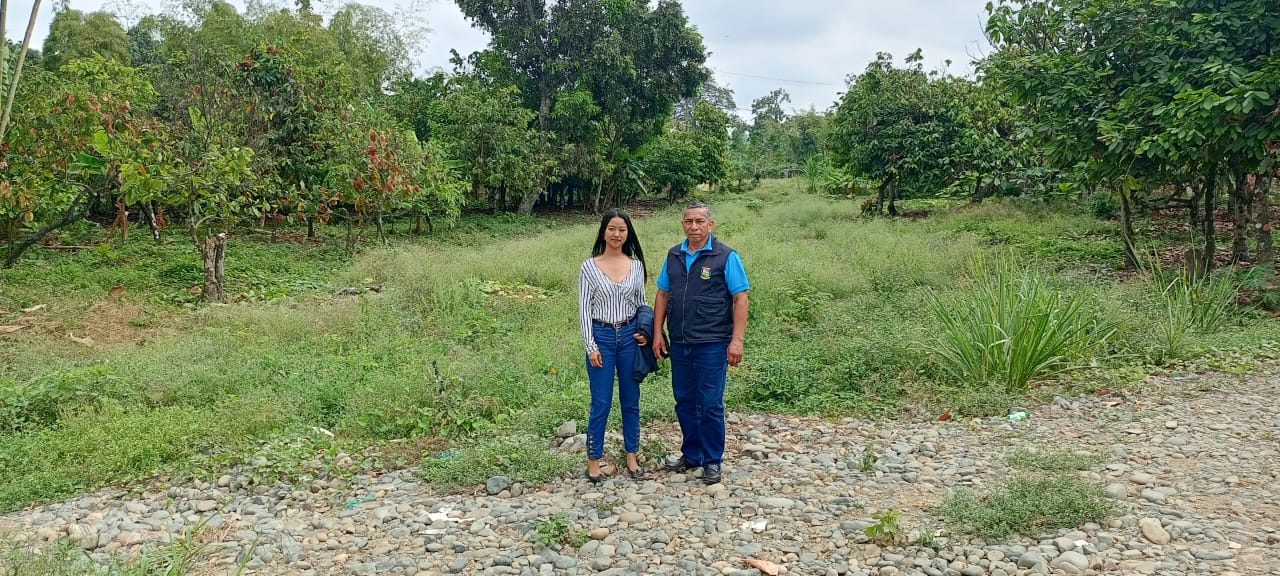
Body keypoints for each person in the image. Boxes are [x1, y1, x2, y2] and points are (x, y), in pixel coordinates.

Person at [651, 201, 750, 485]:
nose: (693, 227)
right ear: (682, 224)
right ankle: (692, 454)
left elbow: (740, 298)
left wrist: (737, 341)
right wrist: (658, 333)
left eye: (699, 221)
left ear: (710, 224)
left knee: (709, 403)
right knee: (684, 400)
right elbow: (662, 294)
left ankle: (712, 460)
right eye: (688, 221)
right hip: (680, 342)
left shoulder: (725, 256)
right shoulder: (674, 255)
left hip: (712, 343)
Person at [578, 208, 649, 483]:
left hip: (630, 336)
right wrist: (590, 345)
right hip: (602, 337)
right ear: (603, 232)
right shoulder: (589, 267)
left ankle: (631, 455)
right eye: (611, 229)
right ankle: (593, 460)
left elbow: (641, 303)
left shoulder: (636, 266)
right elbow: (584, 310)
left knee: (631, 400)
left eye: (622, 229)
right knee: (601, 402)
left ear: (628, 233)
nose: (616, 234)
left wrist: (644, 331)